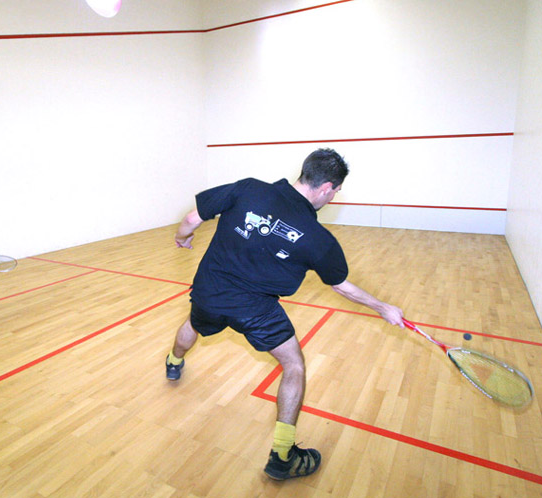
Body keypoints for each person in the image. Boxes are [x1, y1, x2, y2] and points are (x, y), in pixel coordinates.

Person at [165, 148, 404, 480]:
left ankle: (173, 362)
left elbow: (193, 219)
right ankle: (282, 456)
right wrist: (384, 308)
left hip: (210, 292)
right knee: (293, 366)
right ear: (326, 188)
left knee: (193, 322)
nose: (334, 197)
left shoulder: (248, 188)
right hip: (257, 310)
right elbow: (342, 287)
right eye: (336, 191)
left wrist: (183, 238)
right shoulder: (319, 239)